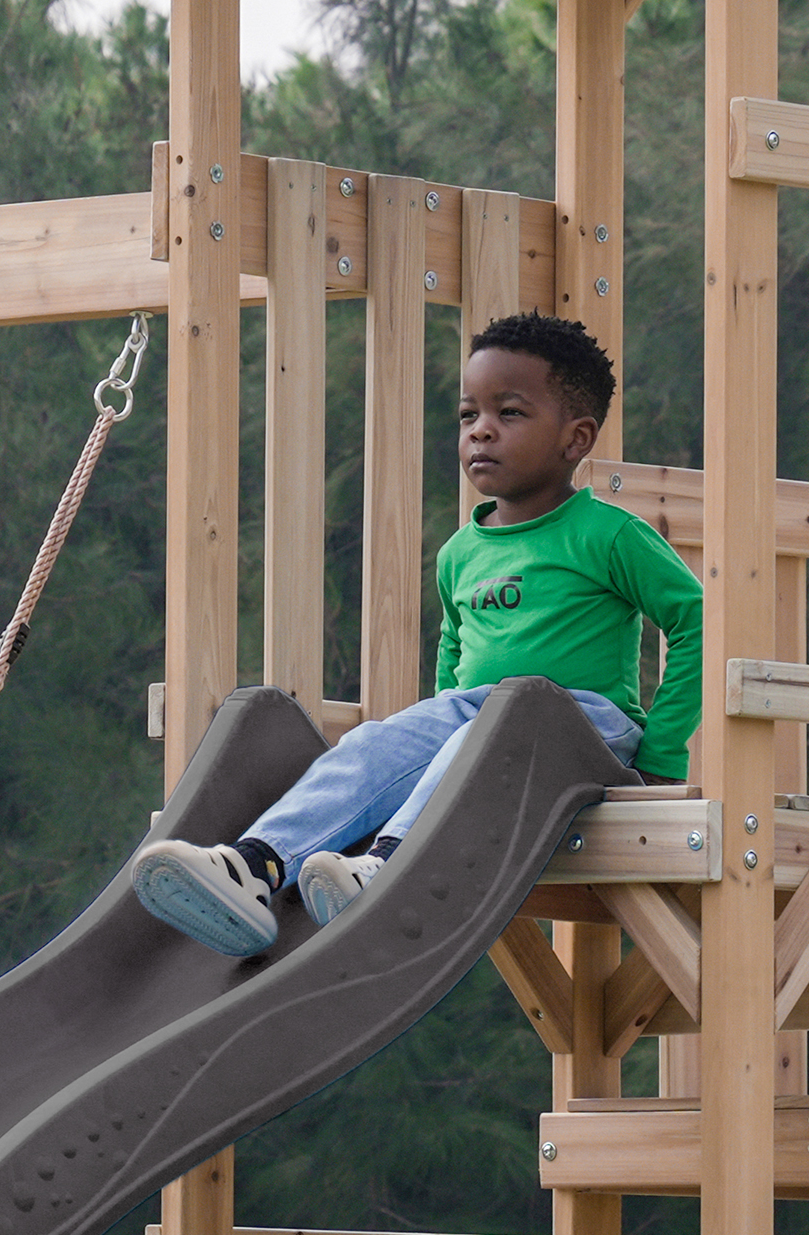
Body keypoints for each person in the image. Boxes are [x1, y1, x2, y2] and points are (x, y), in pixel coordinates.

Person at [128, 313, 700, 955]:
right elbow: (454, 654)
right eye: (468, 415)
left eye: (509, 413)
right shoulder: (459, 554)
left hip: (582, 730)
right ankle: (255, 865)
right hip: (482, 720)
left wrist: (660, 756)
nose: (480, 429)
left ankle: (389, 866)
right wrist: (430, 728)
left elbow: (696, 621)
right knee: (377, 740)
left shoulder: (607, 535)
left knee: (479, 730)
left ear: (575, 439)